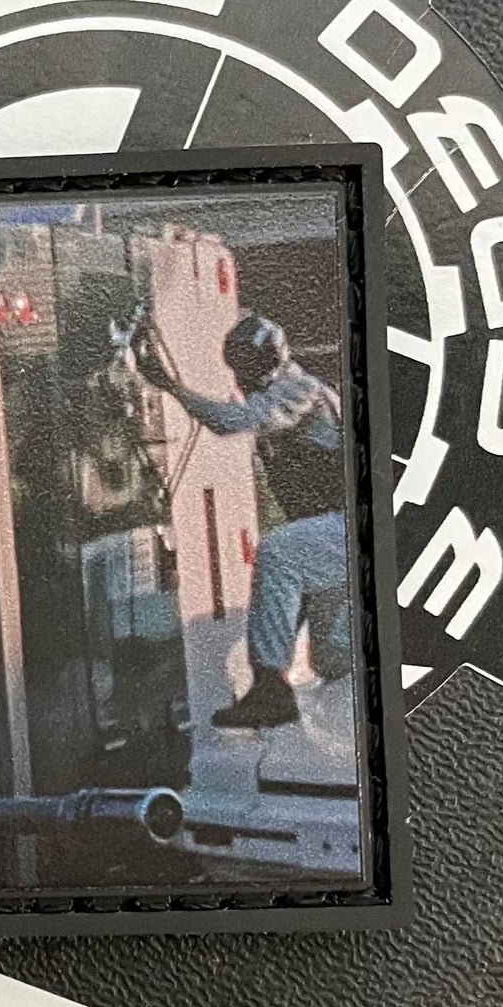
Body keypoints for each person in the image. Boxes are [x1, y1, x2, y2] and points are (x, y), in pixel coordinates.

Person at [132, 312, 350, 732]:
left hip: (345, 526)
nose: (238, 379)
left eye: (241, 369)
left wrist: (173, 388)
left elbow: (229, 421)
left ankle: (270, 690)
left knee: (280, 554)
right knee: (333, 659)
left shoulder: (298, 390)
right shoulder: (286, 392)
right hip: (333, 537)